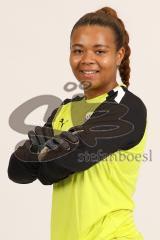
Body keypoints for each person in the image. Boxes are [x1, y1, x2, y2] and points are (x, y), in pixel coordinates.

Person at [8, 6, 147, 240]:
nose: (86, 60)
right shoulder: (65, 108)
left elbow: (62, 160)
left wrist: (46, 150)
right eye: (78, 50)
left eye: (100, 51)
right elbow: (19, 170)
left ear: (119, 55)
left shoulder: (127, 108)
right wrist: (50, 150)